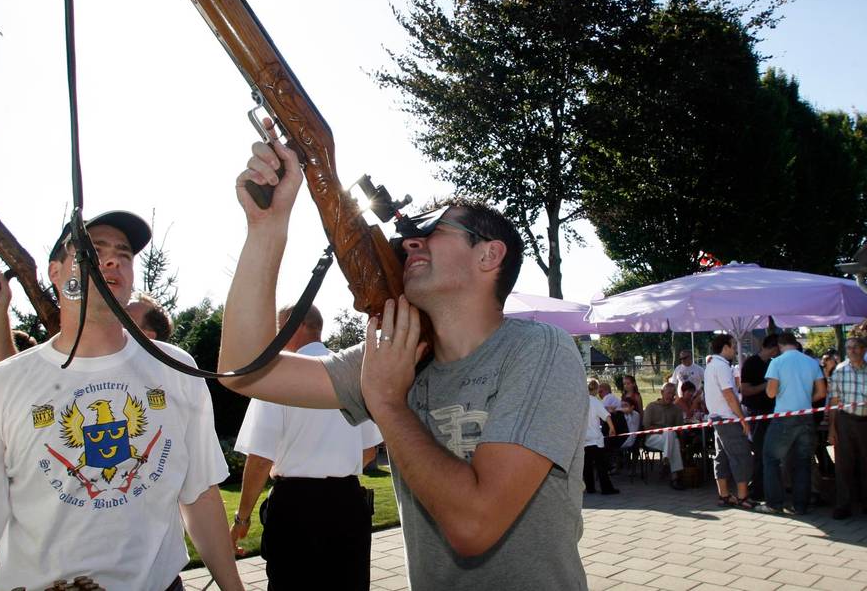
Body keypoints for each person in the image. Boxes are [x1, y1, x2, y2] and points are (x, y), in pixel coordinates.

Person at [216, 127, 588, 589]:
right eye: (410, 233)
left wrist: (388, 403)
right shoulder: (398, 353)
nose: (410, 241)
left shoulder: (540, 349)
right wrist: (267, 227)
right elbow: (243, 370)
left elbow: (475, 524)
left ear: (490, 255)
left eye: (432, 229)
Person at [0, 211, 243, 591]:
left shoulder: (175, 368)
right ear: (55, 273)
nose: (112, 260)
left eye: (124, 253)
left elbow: (200, 493)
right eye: (92, 250)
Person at [230, 304, 382, 590]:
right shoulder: (353, 374)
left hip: (296, 508)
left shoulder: (277, 375)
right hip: (348, 504)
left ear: (293, 325)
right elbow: (369, 450)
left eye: (278, 328)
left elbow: (261, 458)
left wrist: (242, 518)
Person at [755, 333, 826, 515]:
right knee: (803, 462)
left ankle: (774, 503)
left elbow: (770, 393)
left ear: (779, 345)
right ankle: (800, 505)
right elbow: (821, 392)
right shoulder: (811, 362)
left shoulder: (777, 362)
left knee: (771, 458)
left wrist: (782, 391)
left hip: (784, 416)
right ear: (795, 343)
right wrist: (805, 398)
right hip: (806, 415)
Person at [828, 338, 867, 519]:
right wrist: (832, 429)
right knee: (844, 464)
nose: (851, 351)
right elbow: (835, 401)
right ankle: (843, 504)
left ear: (863, 350)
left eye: (855, 348)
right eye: (848, 348)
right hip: (846, 420)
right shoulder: (839, 371)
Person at [703, 334, 753, 509]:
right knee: (741, 456)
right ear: (725, 347)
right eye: (733, 346)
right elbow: (729, 394)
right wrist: (742, 418)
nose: (735, 349)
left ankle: (724, 495)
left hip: (717, 418)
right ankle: (742, 497)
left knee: (721, 457)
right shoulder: (722, 366)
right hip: (728, 418)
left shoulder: (710, 366)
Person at [740, 334, 778, 500]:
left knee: (771, 453)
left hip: (773, 413)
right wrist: (767, 385)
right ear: (773, 347)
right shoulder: (751, 363)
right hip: (756, 414)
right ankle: (757, 489)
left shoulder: (773, 363)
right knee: (760, 452)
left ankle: (771, 486)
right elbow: (745, 390)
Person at [642, 382, 686, 490]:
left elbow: (679, 429)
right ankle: (674, 476)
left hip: (668, 439)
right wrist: (661, 431)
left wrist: (682, 443)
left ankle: (668, 463)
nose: (670, 396)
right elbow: (646, 428)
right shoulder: (651, 407)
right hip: (653, 438)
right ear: (662, 393)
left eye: (673, 394)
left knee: (672, 437)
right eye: (668, 393)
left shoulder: (676, 409)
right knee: (670, 434)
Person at [584, 380, 619, 495]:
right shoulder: (595, 402)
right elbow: (606, 416)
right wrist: (612, 428)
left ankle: (590, 487)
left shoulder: (580, 402)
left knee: (587, 466)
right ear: (596, 389)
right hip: (596, 439)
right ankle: (606, 488)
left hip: (584, 439)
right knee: (601, 465)